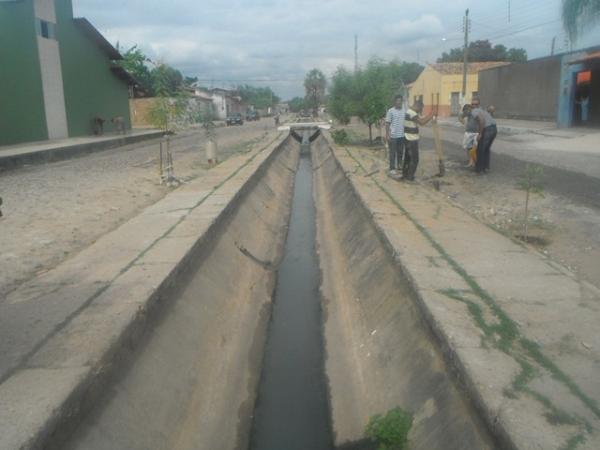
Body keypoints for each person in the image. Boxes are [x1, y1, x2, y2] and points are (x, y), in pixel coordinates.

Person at [402, 100, 434, 181]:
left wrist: (428, 116)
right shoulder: (412, 113)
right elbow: (422, 122)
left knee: (408, 158)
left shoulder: (409, 111)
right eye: (421, 109)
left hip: (407, 138)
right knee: (414, 159)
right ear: (418, 106)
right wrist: (431, 115)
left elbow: (419, 119)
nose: (421, 111)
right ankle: (410, 177)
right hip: (411, 139)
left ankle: (405, 174)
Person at [472, 98, 497, 173]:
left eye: (475, 104)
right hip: (494, 129)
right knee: (486, 149)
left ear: (478, 104)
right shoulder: (482, 109)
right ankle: (486, 167)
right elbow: (492, 110)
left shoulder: (474, 111)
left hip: (487, 130)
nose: (474, 106)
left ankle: (479, 169)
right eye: (472, 104)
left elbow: (482, 121)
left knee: (480, 150)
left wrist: (480, 134)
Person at [385, 95, 405, 175]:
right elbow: (387, 123)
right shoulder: (390, 111)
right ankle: (392, 168)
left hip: (402, 136)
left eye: (400, 101)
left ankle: (399, 166)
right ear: (395, 102)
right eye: (397, 101)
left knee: (400, 152)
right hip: (393, 136)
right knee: (392, 153)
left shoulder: (404, 110)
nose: (399, 103)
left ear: (401, 102)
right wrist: (387, 135)